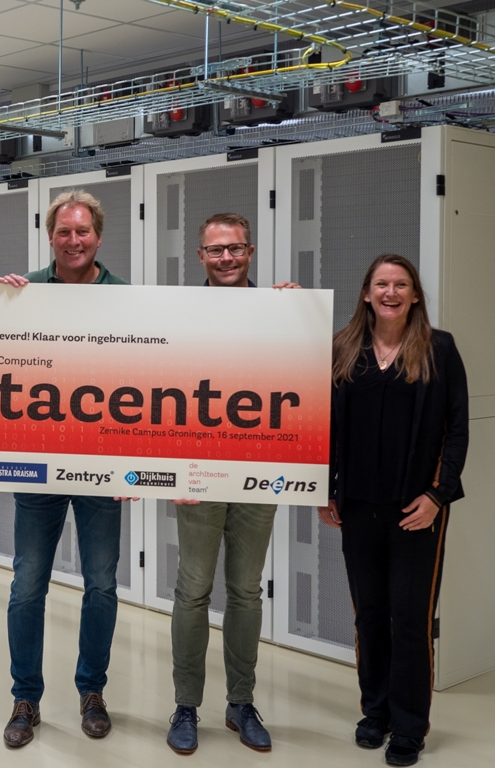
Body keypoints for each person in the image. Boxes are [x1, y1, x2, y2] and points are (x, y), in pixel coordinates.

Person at [318, 254, 467, 767]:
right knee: (370, 615)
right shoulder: (343, 348)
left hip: (416, 509)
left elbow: (457, 428)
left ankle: (408, 725)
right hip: (358, 506)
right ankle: (375, 711)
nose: (391, 292)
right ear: (366, 292)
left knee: (409, 619)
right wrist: (325, 489)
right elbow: (325, 425)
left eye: (401, 284)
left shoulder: (438, 348)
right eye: (381, 283)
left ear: (415, 294)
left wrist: (438, 495)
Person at [0, 190, 132, 748]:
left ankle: (92, 691)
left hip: (101, 464)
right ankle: (25, 697)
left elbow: (147, 379)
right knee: (28, 585)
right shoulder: (24, 292)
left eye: (82, 231)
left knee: (101, 584)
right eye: (63, 231)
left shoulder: (126, 298)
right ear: (50, 236)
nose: (73, 240)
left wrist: (138, 464)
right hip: (39, 462)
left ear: (98, 236)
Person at [166, 212, 298, 755]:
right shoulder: (178, 316)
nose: (226, 258)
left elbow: (302, 376)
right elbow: (159, 390)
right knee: (193, 589)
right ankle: (186, 706)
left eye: (236, 248)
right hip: (198, 473)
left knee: (246, 590)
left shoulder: (279, 311)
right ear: (200, 256)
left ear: (250, 252)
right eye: (216, 250)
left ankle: (240, 704)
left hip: (258, 471)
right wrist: (172, 469)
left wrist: (298, 315)